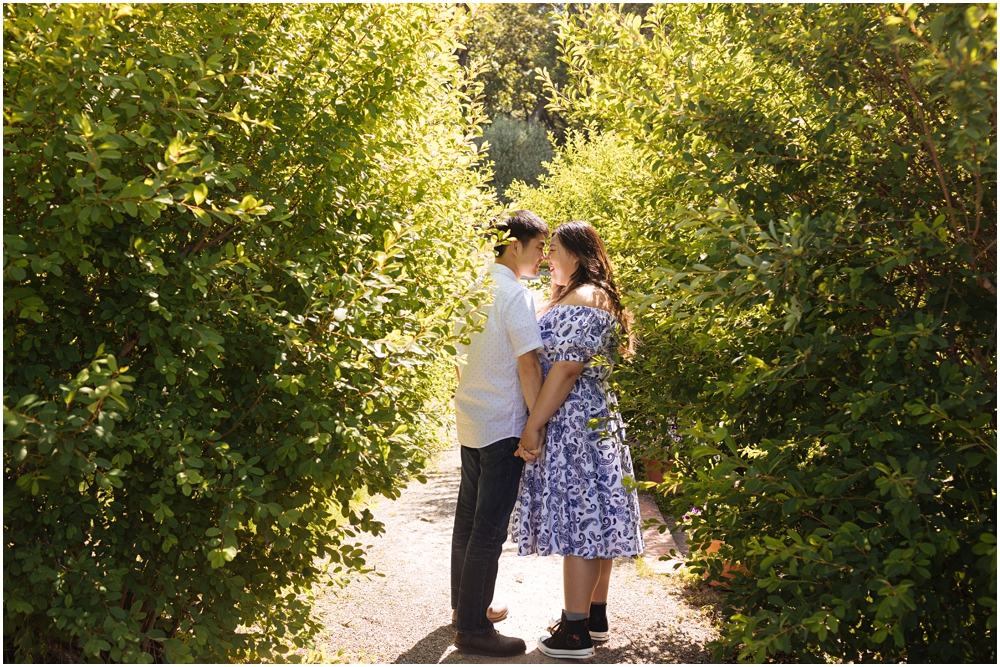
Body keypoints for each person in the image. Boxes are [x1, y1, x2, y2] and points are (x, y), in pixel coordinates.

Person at [511, 220, 643, 660]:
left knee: (582, 521)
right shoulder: (587, 295)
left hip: (574, 422)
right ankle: (594, 616)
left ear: (581, 257)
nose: (548, 258)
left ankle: (574, 633)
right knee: (597, 517)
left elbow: (566, 369)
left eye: (556, 250)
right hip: (591, 418)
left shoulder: (585, 297)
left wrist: (534, 425)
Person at [451, 210, 549, 658]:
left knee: (468, 524)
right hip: (503, 424)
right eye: (538, 247)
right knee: (488, 531)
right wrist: (535, 425)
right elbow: (529, 363)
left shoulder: (472, 289)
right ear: (515, 246)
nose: (544, 257)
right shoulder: (514, 294)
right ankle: (472, 629)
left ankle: (466, 610)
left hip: (471, 419)